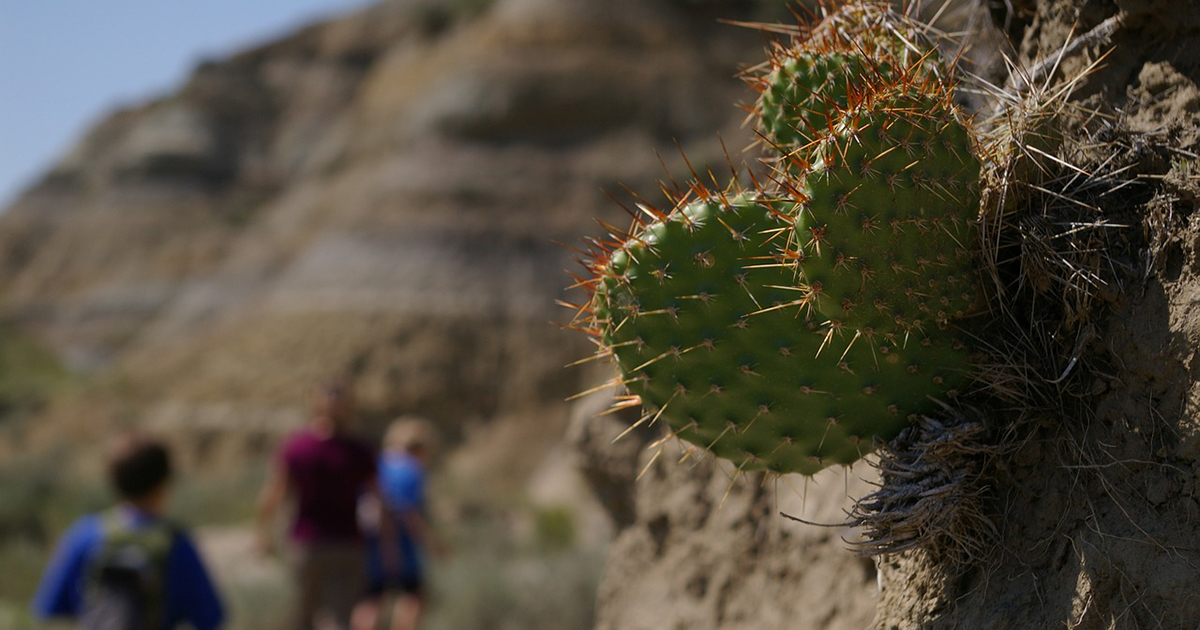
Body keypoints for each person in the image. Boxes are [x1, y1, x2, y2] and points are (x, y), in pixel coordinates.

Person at [31, 432, 225, 630]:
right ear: (162, 483)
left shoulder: (83, 535)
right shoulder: (177, 543)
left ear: (114, 480)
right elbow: (211, 618)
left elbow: (48, 609)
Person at [257, 380, 378, 630]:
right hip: (322, 542)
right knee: (321, 616)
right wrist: (262, 533)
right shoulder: (305, 447)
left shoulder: (355, 450)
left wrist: (262, 534)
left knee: (320, 617)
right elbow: (276, 492)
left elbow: (273, 494)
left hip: (333, 543)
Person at [352, 417, 445, 630]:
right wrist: (431, 543)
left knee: (372, 598)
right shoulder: (410, 469)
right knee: (413, 599)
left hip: (369, 541)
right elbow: (408, 512)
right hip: (401, 545)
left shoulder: (376, 464)